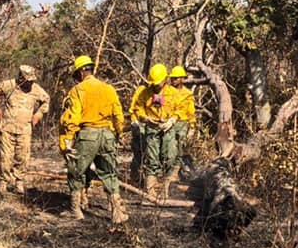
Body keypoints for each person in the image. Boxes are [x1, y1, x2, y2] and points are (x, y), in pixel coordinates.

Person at [59, 55, 128, 223]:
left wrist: (68, 139)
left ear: (81, 72)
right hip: (107, 135)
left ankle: (76, 210)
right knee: (109, 173)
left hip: (88, 135)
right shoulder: (108, 89)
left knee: (76, 171)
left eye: (76, 75)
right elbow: (118, 115)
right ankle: (117, 213)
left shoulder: (77, 90)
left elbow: (73, 116)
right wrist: (119, 133)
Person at [0, 64, 50, 194]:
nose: (29, 83)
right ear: (21, 78)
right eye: (27, 80)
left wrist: (39, 114)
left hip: (25, 129)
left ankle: (19, 182)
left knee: (22, 157)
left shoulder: (36, 89)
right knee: (6, 157)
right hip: (7, 127)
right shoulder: (9, 85)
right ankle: (4, 181)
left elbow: (46, 100)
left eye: (32, 80)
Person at [128, 63, 172, 198]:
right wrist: (144, 119)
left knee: (168, 157)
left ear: (165, 79)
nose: (156, 86)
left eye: (158, 83)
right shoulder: (144, 92)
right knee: (148, 156)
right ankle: (148, 189)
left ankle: (164, 188)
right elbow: (136, 108)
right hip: (149, 127)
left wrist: (172, 120)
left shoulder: (172, 92)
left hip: (167, 128)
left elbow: (179, 108)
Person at [161, 64, 196, 193]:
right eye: (172, 78)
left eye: (175, 78)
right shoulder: (167, 91)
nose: (173, 80)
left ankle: (174, 176)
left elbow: (191, 111)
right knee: (168, 150)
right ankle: (168, 173)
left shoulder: (188, 94)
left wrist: (192, 126)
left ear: (181, 79)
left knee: (180, 150)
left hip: (182, 123)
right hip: (170, 123)